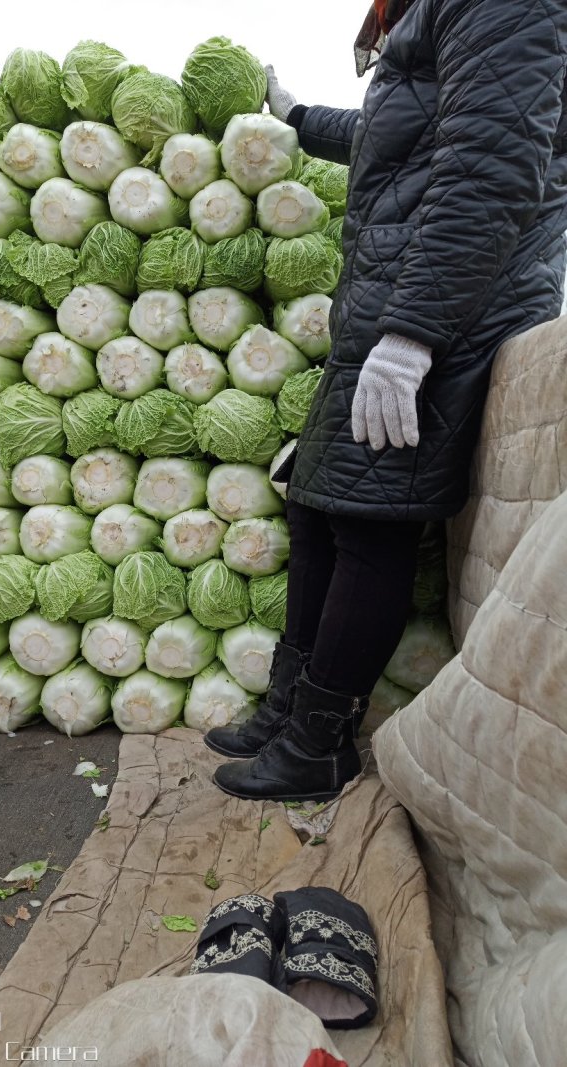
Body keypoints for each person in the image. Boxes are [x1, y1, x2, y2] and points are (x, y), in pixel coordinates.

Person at [207, 0, 567, 802]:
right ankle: (288, 707)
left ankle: (318, 743)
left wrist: (413, 335)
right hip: (396, 297)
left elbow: (494, 165)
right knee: (317, 503)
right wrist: (297, 114)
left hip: (451, 308)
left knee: (373, 518)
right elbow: (398, 138)